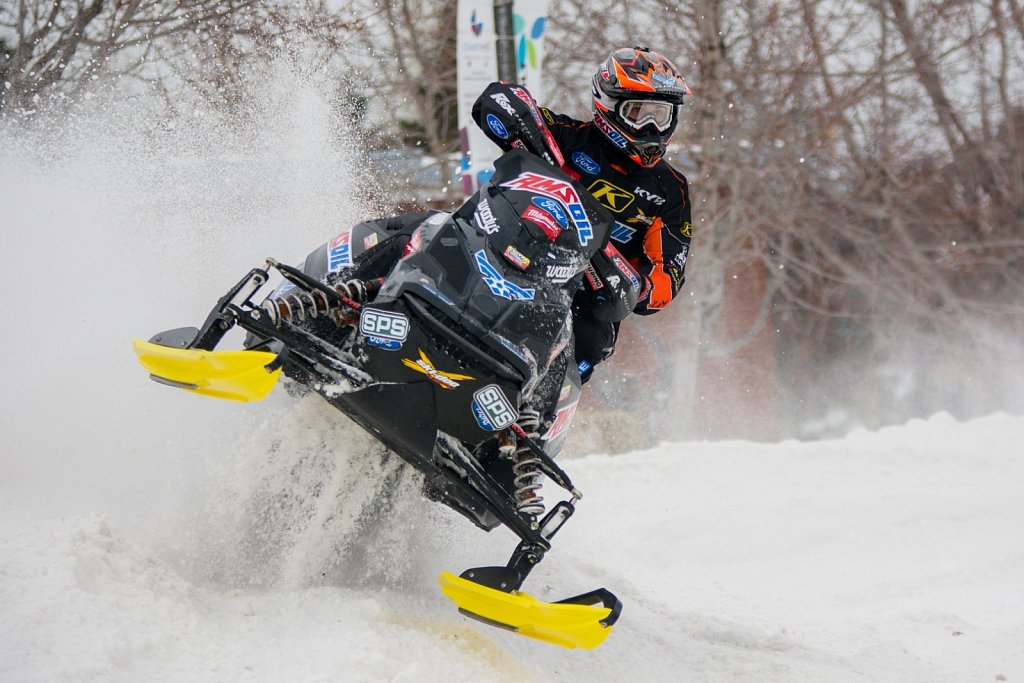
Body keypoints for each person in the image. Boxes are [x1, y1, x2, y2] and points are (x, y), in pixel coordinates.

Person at [471, 46, 694, 384]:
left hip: (585, 291)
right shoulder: (567, 136)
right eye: (639, 113)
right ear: (609, 105)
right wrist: (535, 143)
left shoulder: (671, 191)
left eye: (660, 116)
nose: (651, 128)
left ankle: (533, 404)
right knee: (429, 228)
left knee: (593, 342)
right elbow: (496, 100)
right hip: (513, 243)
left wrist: (636, 286)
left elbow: (668, 274)